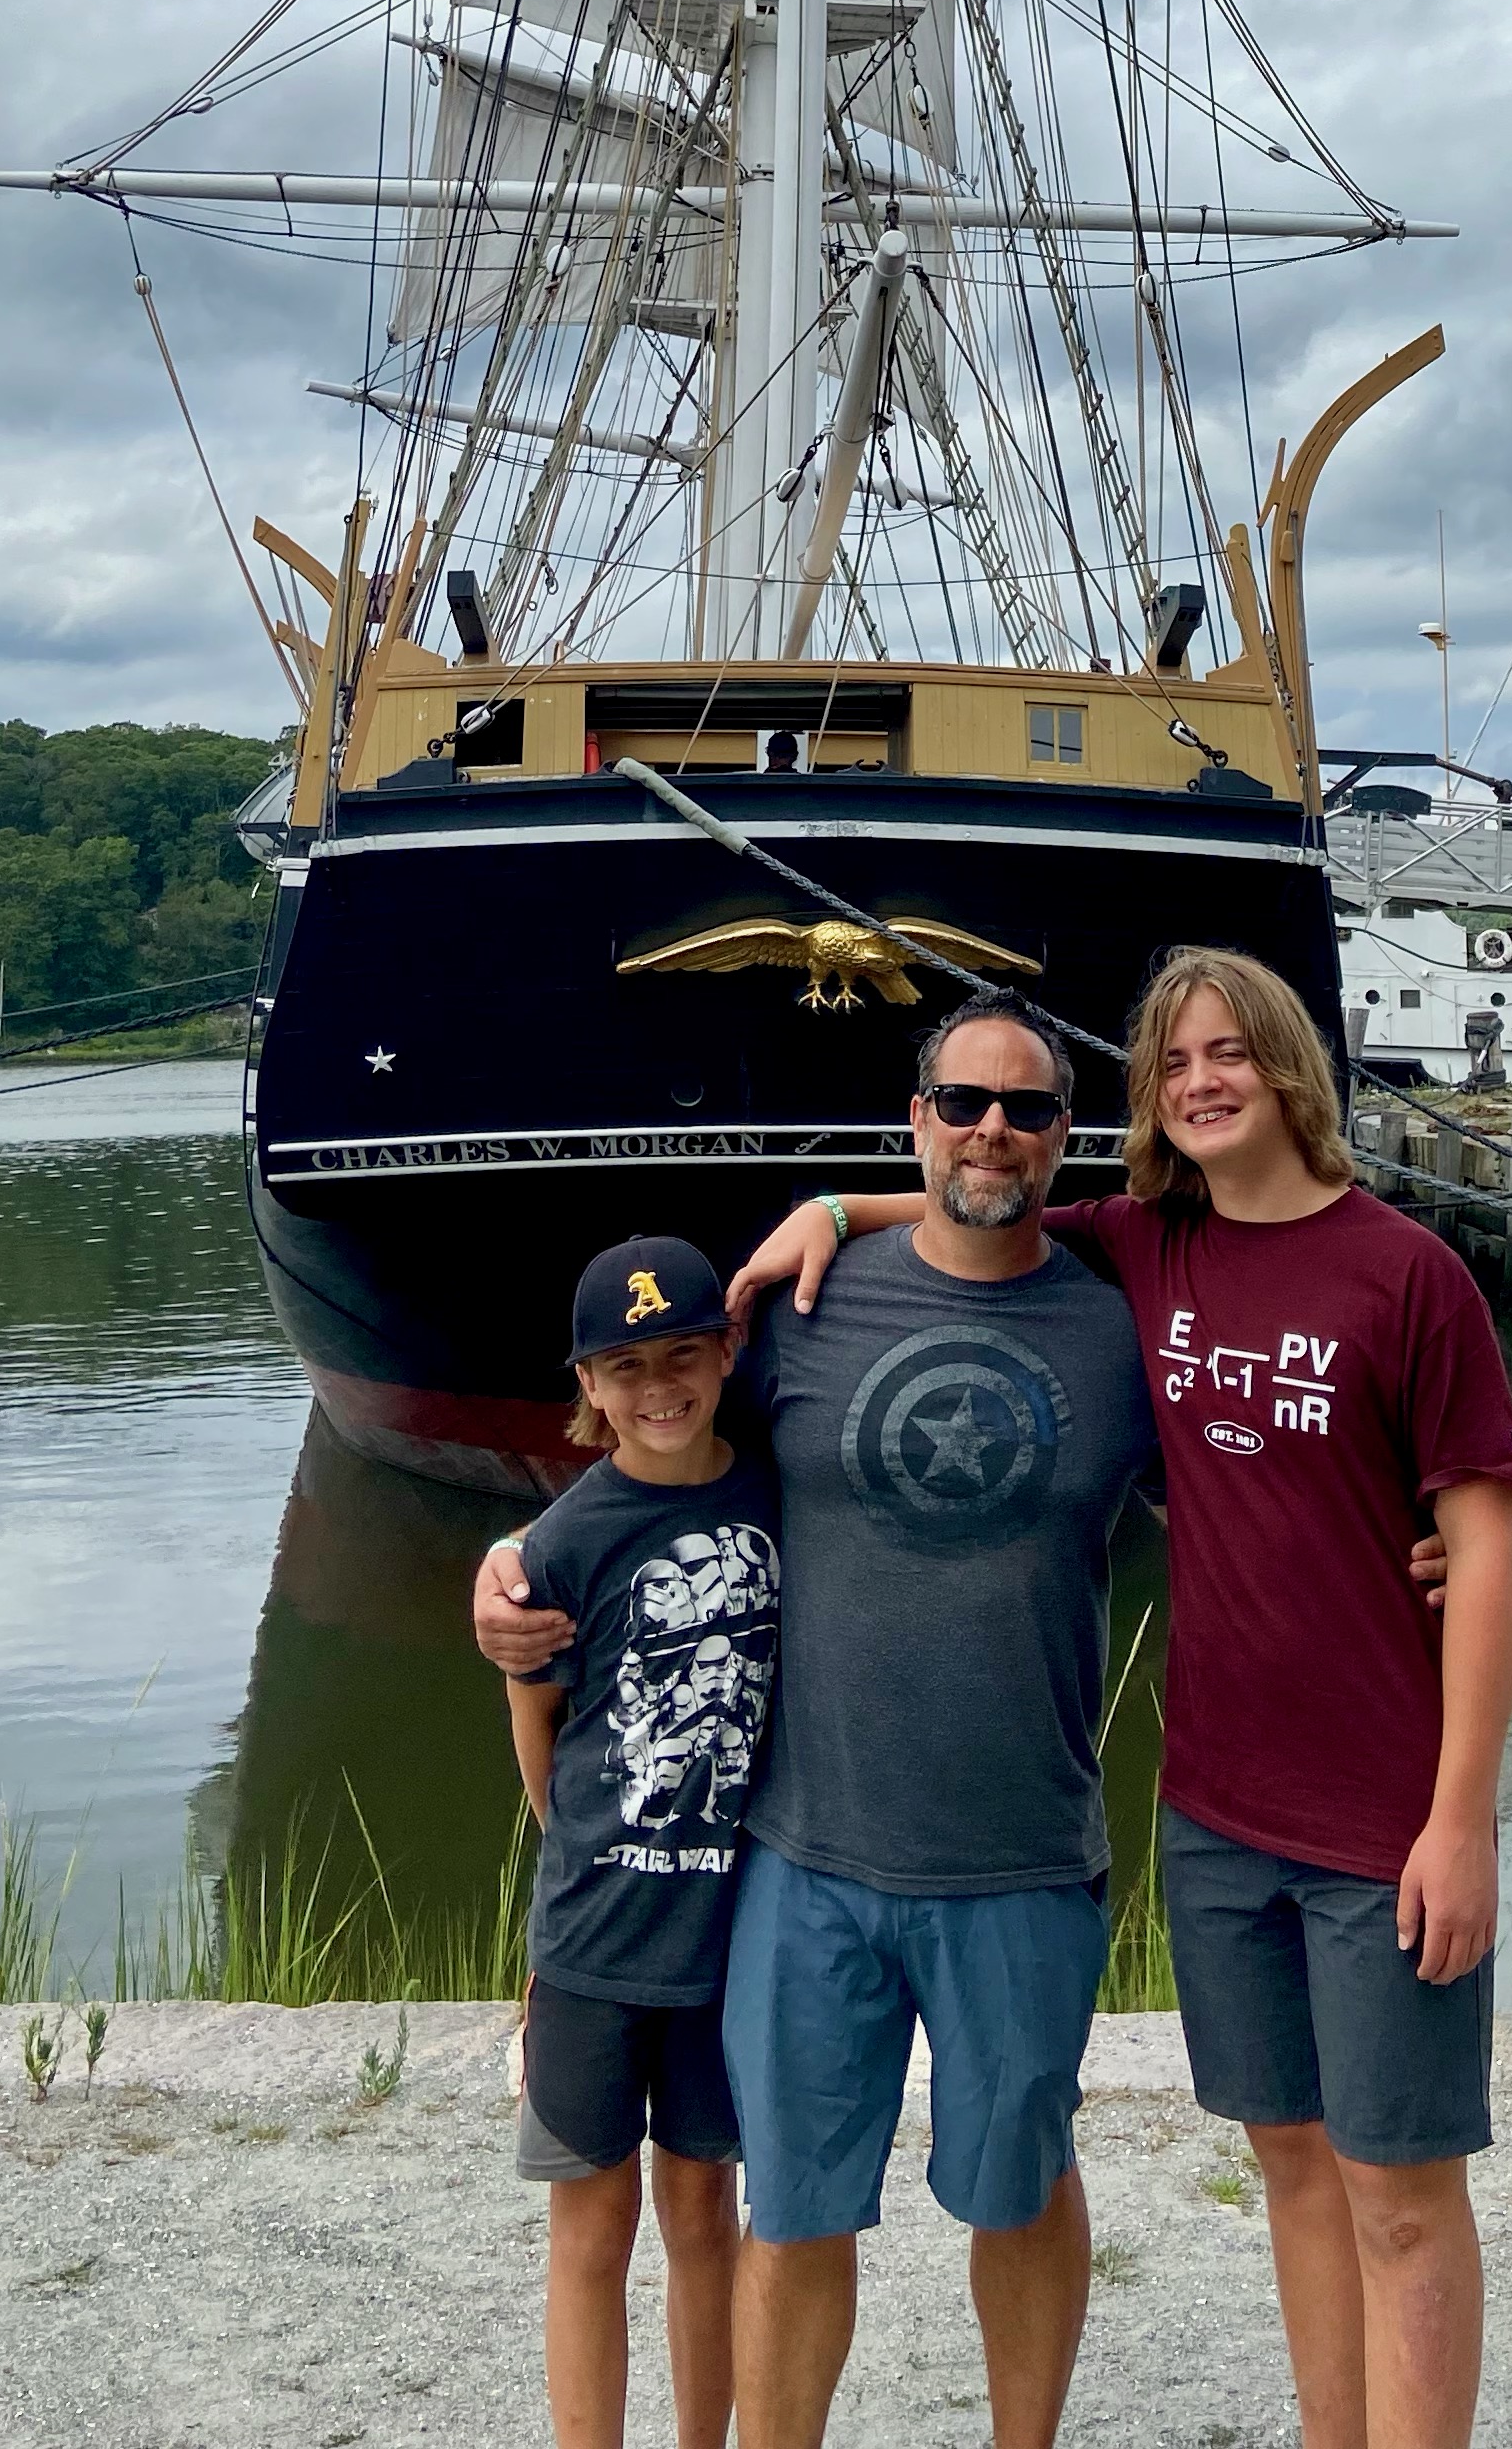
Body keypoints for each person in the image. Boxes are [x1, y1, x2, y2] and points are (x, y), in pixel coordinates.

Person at [738, 947, 1512, 2449]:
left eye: (1228, 1051)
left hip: (1377, 1809)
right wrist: (834, 1208)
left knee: (1403, 2200)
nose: (1202, 1081)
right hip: (1216, 1808)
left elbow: (1486, 1544)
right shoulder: (1151, 1249)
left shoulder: (1402, 1273)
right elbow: (978, 1210)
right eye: (1172, 1063)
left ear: (1290, 1063)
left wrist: (1463, 1817)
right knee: (1293, 2162)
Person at [479, 998, 1157, 2449]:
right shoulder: (798, 1309)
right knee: (793, 2210)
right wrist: (515, 1593)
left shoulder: (1120, 1321)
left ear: (1065, 1138)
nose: (993, 1131)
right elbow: (669, 1470)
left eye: (1029, 1111)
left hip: (1022, 1853)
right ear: (915, 1116)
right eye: (963, 1101)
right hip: (803, 1859)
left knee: (1023, 2185)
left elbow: (1258, 1471)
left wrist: (1415, 1544)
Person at [501, 1234, 778, 2449]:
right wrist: (577, 1872)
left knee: (704, 2214)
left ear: (728, 1351)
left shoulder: (778, 1494)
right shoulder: (564, 1540)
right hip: (596, 1947)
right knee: (589, 2229)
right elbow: (541, 1741)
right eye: (625, 1365)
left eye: (682, 1353)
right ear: (589, 1387)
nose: (657, 1385)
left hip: (731, 1943)